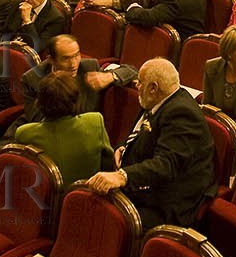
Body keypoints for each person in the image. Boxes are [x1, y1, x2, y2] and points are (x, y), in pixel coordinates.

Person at [83, 59, 215, 229]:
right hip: (143, 183)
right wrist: (123, 147)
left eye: (141, 83)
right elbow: (138, 134)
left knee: (105, 221)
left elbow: (167, 164)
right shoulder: (158, 98)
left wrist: (122, 176)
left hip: (166, 201)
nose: (137, 85)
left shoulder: (182, 114)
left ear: (153, 87)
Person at [14, 71, 112, 183]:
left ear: (40, 102)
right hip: (86, 196)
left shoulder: (24, 133)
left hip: (43, 198)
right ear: (76, 99)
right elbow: (108, 166)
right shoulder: (95, 122)